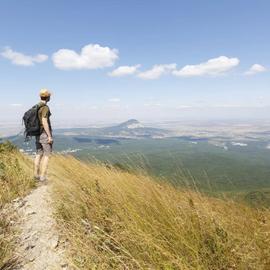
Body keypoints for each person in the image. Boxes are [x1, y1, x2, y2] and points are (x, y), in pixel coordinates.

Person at [34, 89, 53, 182]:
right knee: (47, 155)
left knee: (38, 154)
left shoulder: (36, 106)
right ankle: (42, 176)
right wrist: (49, 135)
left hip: (37, 133)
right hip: (44, 133)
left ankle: (36, 175)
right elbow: (44, 121)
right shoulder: (45, 107)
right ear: (48, 97)